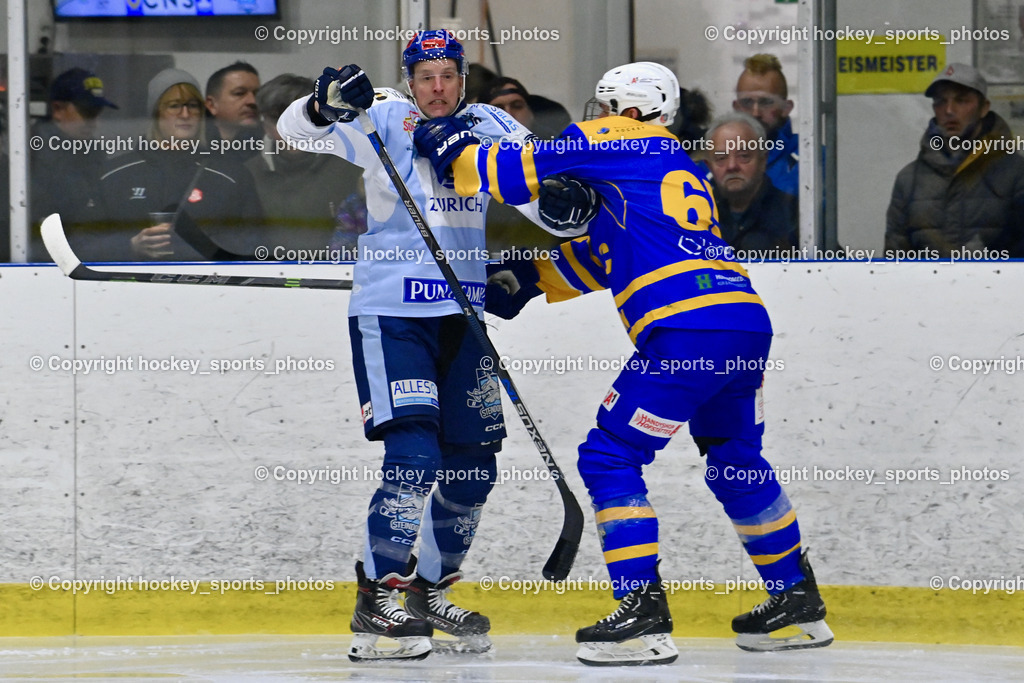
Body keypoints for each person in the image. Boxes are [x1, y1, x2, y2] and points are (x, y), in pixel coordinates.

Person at [415, 60, 833, 665]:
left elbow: (505, 177)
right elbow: (606, 254)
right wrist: (528, 280)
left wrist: (450, 142)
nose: (594, 116)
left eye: (605, 104)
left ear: (629, 109)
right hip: (741, 325)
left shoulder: (614, 137)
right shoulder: (676, 164)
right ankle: (796, 601)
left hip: (685, 332)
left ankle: (640, 613)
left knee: (609, 456)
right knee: (735, 458)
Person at [275, 29, 585, 662]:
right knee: (414, 457)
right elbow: (295, 131)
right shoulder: (381, 115)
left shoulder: (491, 123)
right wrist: (325, 101)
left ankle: (429, 588)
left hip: (463, 317)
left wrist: (564, 205)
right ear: (410, 79)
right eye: (425, 77)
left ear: (463, 79)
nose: (436, 88)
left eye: (447, 76)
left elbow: (547, 203)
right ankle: (378, 593)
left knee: (473, 468)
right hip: (394, 316)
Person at [70, 68, 263, 261]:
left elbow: (256, 244)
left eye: (193, 106)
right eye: (174, 106)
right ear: (155, 113)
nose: (185, 114)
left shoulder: (231, 175)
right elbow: (81, 246)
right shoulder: (114, 175)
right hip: (132, 288)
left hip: (207, 287)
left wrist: (193, 248)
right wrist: (130, 246)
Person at [885, 63, 1024, 258]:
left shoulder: (1017, 174)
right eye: (940, 101)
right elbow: (894, 261)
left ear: (984, 108)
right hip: (926, 288)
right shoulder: (908, 180)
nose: (949, 110)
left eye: (961, 100)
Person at [245, 73, 365, 253]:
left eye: (301, 118)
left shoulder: (351, 167)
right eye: (279, 120)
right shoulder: (248, 174)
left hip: (338, 275)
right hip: (266, 276)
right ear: (265, 127)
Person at [30, 67, 119, 260]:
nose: (94, 122)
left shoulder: (94, 152)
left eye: (97, 112)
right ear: (57, 109)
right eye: (87, 112)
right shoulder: (26, 156)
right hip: (42, 260)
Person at [706, 112, 798, 256]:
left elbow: (834, 268)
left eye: (743, 156)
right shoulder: (697, 215)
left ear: (763, 160)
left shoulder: (794, 214)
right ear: (709, 166)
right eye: (721, 158)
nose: (731, 166)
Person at [732, 54, 799, 197]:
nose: (755, 113)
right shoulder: (718, 161)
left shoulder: (810, 158)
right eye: (747, 103)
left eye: (766, 102)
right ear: (736, 107)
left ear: (787, 108)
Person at [205, 61, 261, 161]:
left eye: (257, 94)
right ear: (212, 105)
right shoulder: (193, 151)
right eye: (239, 93)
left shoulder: (260, 155)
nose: (253, 101)